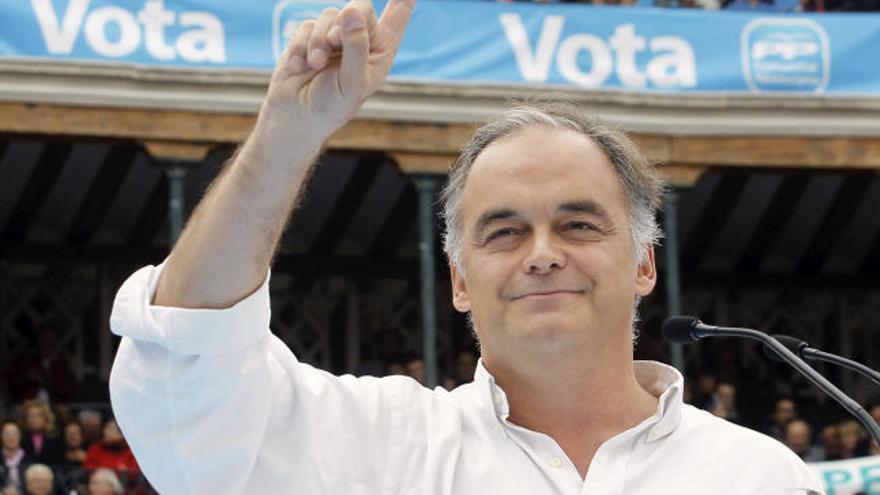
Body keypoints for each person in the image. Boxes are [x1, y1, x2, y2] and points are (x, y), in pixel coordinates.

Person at [107, 0, 823, 492]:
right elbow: (187, 364)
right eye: (503, 231)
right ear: (457, 279)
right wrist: (287, 137)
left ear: (644, 262)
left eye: (578, 223)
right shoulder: (377, 445)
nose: (542, 252)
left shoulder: (761, 474)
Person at [20, 401, 63, 467]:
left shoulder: (55, 440)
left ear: (45, 418)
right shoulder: (20, 439)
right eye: (30, 415)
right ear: (25, 419)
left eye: (38, 415)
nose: (34, 419)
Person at [1, 422, 31, 492]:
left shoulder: (30, 460)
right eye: (7, 434)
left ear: (20, 436)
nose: (11, 437)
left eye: (14, 434)